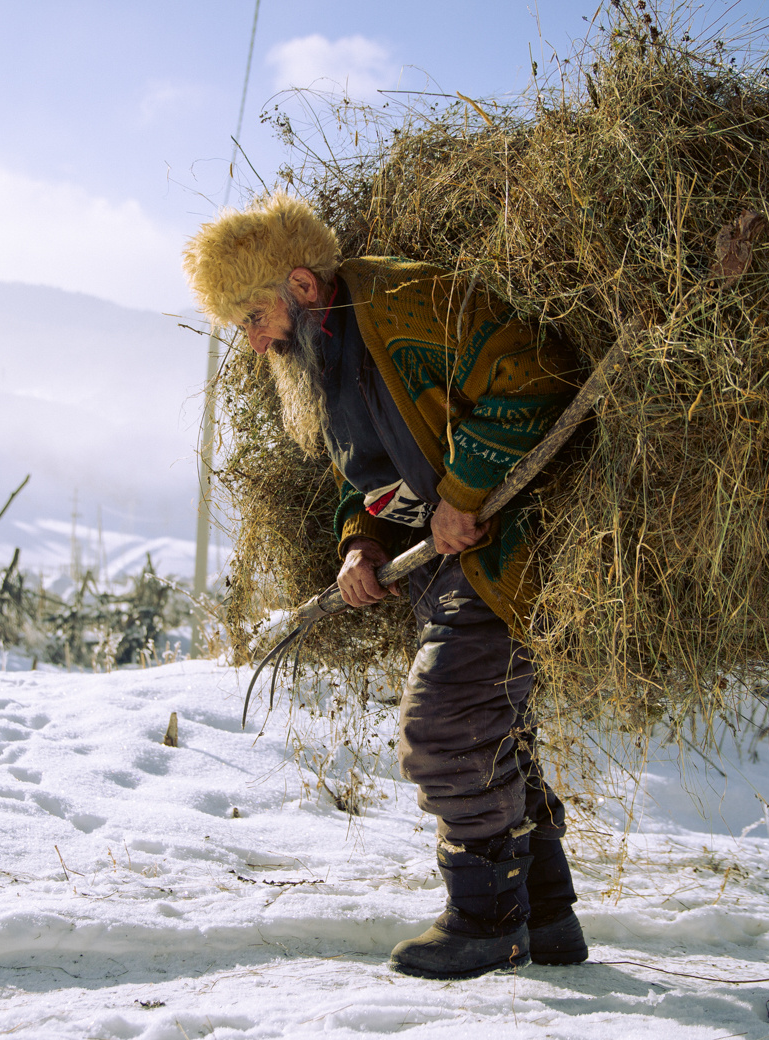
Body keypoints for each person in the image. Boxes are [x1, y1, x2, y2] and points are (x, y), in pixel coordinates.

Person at [183, 193, 586, 979]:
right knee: (490, 733)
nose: (255, 341)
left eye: (254, 317)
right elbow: (371, 476)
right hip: (453, 570)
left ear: (302, 287)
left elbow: (533, 371)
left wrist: (465, 491)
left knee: (445, 732)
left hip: (515, 553)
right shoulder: (326, 359)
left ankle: (485, 922)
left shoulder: (404, 301)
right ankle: (547, 916)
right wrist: (360, 544)